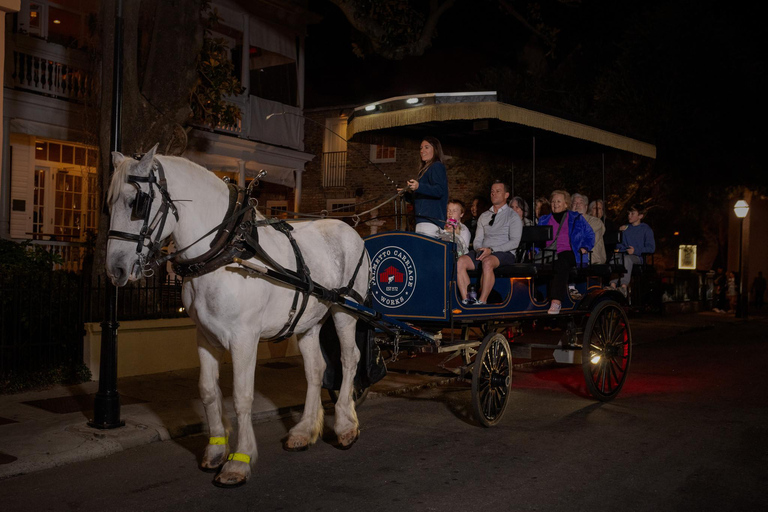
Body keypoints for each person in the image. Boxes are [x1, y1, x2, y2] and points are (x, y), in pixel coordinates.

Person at [456, 181, 522, 305]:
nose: (494, 193)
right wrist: (479, 249)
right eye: (492, 191)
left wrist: (491, 250)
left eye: (498, 191)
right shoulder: (484, 216)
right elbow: (477, 239)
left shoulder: (512, 216)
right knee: (460, 261)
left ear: (506, 195)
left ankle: (482, 301)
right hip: (484, 251)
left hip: (504, 253)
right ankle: (468, 300)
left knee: (487, 262)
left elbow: (514, 243)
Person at [537, 190, 595, 314]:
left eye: (558, 201)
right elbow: (537, 241)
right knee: (549, 262)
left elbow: (590, 234)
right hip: (549, 254)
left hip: (571, 252)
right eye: (553, 201)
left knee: (561, 261)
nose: (555, 204)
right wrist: (536, 252)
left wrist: (585, 247)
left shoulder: (576, 218)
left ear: (566, 204)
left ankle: (556, 301)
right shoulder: (544, 220)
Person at [399, 137, 448, 237]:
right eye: (421, 148)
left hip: (430, 220)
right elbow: (422, 199)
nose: (422, 151)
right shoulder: (424, 171)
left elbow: (439, 190)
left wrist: (419, 186)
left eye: (426, 147)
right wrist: (406, 195)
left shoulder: (436, 166)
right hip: (422, 220)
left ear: (435, 149)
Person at [608, 204, 656, 297]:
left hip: (638, 257)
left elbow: (651, 248)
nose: (629, 215)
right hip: (624, 254)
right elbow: (619, 245)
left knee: (627, 259)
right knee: (615, 257)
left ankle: (623, 286)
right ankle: (612, 285)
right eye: (629, 213)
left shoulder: (646, 229)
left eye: (632, 213)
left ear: (640, 216)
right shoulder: (625, 228)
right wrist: (620, 235)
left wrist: (636, 251)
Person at [572, 193, 606, 264]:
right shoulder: (568, 221)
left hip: (591, 259)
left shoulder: (595, 221)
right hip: (572, 258)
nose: (577, 205)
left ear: (586, 207)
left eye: (580, 203)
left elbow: (586, 237)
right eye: (575, 203)